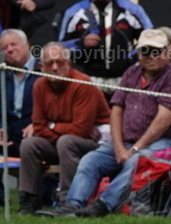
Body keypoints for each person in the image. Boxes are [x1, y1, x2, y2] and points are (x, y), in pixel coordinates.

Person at [39, 29, 171, 218]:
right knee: (90, 160)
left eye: (156, 51)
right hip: (128, 142)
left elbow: (163, 120)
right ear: (138, 53)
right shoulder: (131, 72)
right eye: (145, 51)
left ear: (167, 52)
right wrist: (119, 147)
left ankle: (104, 204)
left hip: (167, 142)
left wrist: (134, 149)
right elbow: (116, 111)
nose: (150, 55)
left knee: (137, 161)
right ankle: (72, 205)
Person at [17, 43, 110, 213]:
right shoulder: (39, 86)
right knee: (29, 144)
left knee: (66, 141)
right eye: (49, 63)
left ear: (69, 63)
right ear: (41, 67)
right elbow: (38, 125)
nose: (54, 68)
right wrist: (53, 129)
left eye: (59, 62)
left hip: (96, 146)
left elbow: (80, 131)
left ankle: (68, 199)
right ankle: (30, 198)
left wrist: (51, 125)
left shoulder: (82, 84)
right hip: (62, 144)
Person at [58, 0, 153, 90]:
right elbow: (60, 47)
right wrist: (81, 43)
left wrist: (131, 60)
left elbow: (151, 39)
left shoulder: (132, 10)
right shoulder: (74, 12)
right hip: (87, 79)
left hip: (125, 79)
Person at [1, 28, 40, 157]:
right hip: (9, 137)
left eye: (13, 44)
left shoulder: (45, 68)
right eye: (4, 48)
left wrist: (38, 125)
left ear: (26, 44)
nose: (9, 50)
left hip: (37, 133)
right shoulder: (2, 73)